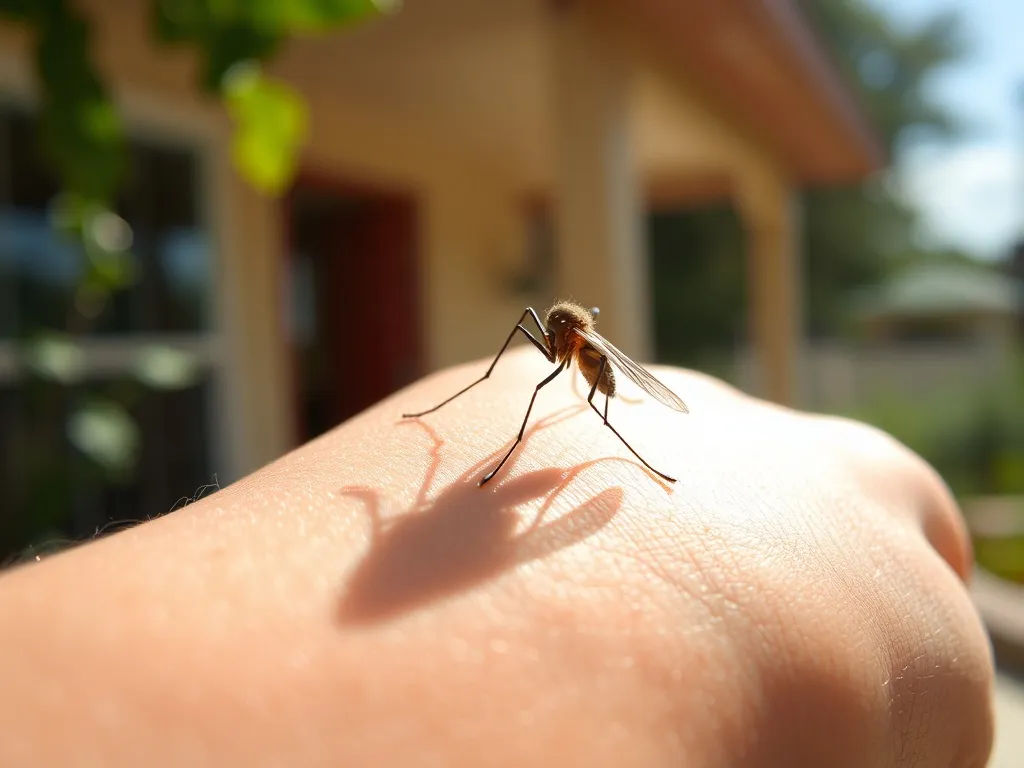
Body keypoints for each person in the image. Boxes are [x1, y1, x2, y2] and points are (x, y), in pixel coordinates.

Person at [0, 348, 994, 767]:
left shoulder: (584, 363)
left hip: (603, 477)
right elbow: (514, 376)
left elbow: (541, 394)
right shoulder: (542, 347)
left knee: (557, 422)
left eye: (562, 340)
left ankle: (625, 454)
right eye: (560, 341)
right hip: (581, 491)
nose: (556, 346)